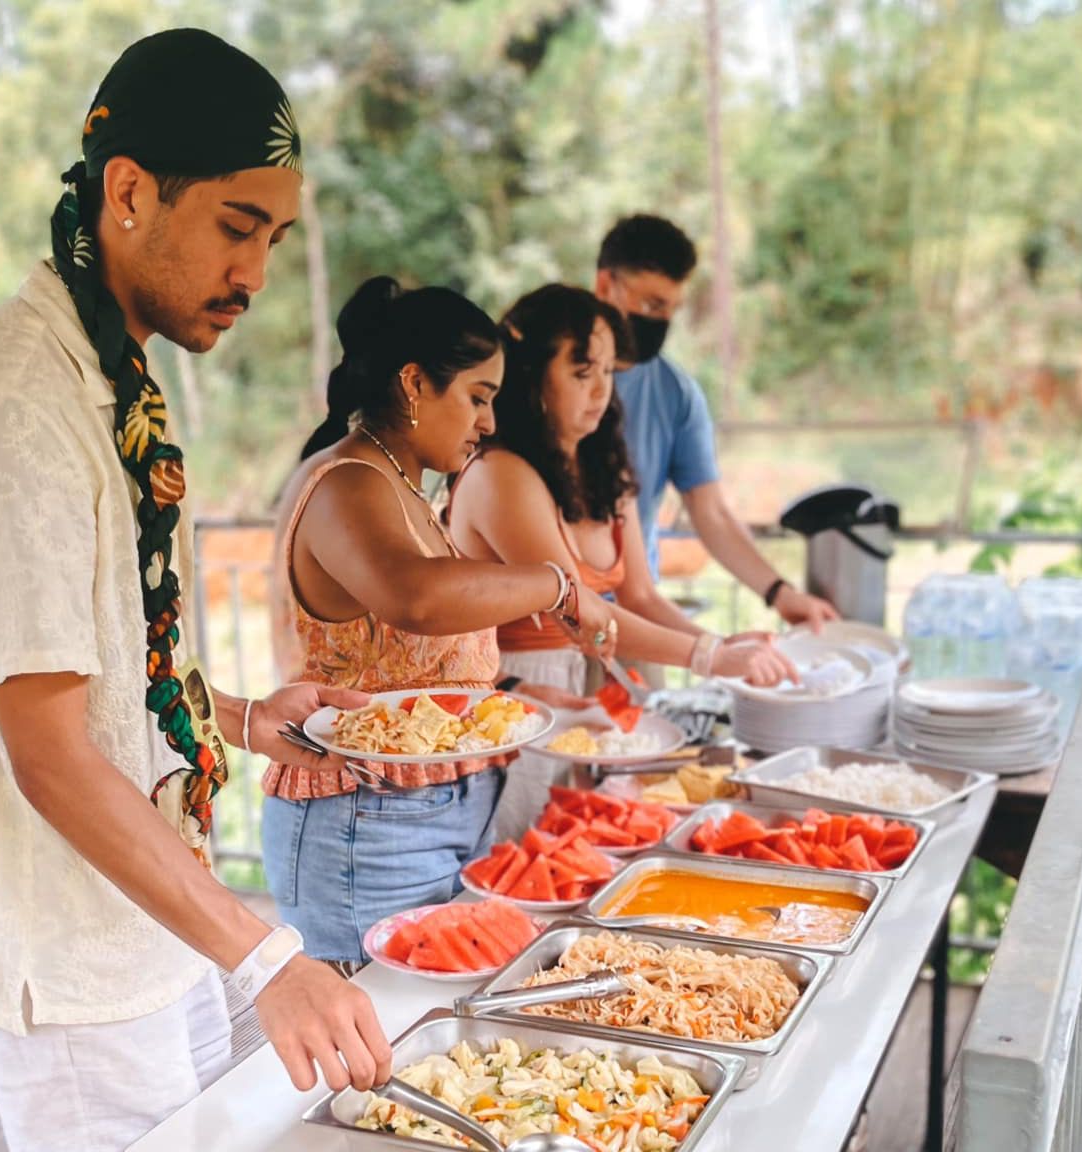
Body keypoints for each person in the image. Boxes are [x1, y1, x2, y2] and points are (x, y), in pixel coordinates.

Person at [0, 31, 389, 1152]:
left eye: (273, 239)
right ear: (128, 193)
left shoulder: (106, 377)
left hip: (151, 915)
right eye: (235, 227)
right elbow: (49, 754)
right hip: (69, 953)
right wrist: (270, 961)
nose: (255, 275)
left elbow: (106, 677)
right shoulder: (12, 400)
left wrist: (246, 720)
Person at [262, 276, 613, 966]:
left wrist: (507, 692)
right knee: (387, 1019)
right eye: (478, 398)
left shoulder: (402, 487)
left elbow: (405, 662)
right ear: (415, 383)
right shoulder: (346, 481)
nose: (490, 422)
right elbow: (415, 599)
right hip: (367, 822)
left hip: (432, 814)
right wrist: (558, 586)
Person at [446, 284, 795, 837]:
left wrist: (724, 646)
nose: (601, 390)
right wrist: (709, 656)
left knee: (586, 851)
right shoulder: (501, 474)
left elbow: (641, 596)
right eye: (582, 372)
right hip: (517, 698)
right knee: (521, 858)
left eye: (609, 372)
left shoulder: (603, 465)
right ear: (531, 376)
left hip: (585, 698)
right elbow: (580, 611)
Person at [594, 214, 842, 627]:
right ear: (606, 285)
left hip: (634, 610)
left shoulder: (676, 394)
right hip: (547, 620)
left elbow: (710, 513)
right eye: (651, 304)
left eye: (671, 309)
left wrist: (780, 593)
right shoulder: (539, 378)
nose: (660, 322)